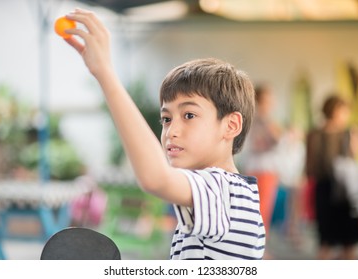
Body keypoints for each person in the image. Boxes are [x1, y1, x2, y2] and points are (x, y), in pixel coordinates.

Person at [62, 8, 265, 260]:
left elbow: (156, 179)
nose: (171, 131)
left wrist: (105, 73)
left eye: (189, 115)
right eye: (166, 119)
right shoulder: (224, 192)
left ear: (231, 125)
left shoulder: (223, 189)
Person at [305, 94, 358, 259]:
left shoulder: (348, 132)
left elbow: (354, 157)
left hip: (344, 192)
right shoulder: (316, 133)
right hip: (326, 189)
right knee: (327, 241)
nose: (346, 115)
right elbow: (311, 166)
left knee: (348, 242)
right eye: (343, 111)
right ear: (334, 111)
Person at [242, 84, 282, 239]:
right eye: (267, 99)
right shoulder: (257, 120)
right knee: (260, 211)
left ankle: (259, 247)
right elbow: (258, 144)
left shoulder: (265, 120)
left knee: (262, 211)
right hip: (260, 169)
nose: (271, 103)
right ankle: (259, 250)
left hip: (265, 169)